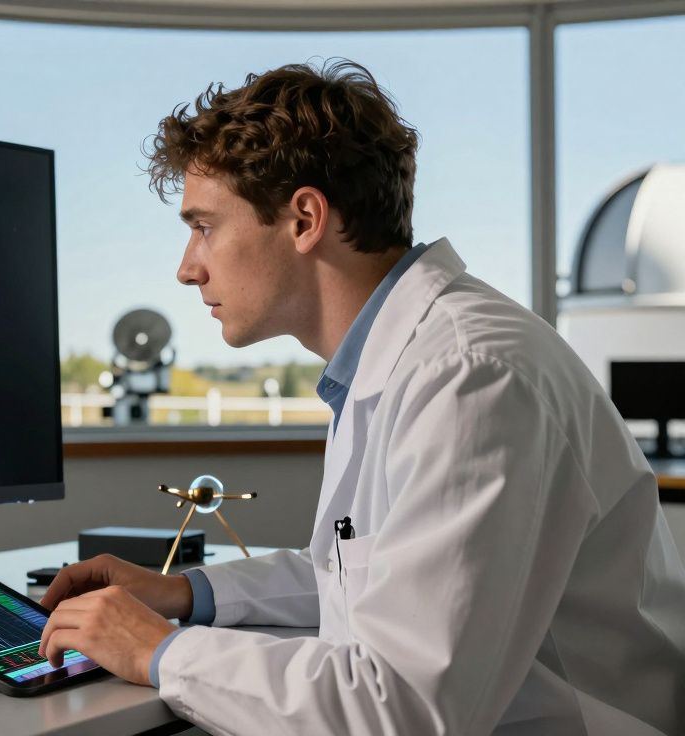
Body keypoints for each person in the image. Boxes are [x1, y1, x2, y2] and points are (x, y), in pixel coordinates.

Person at [37, 60, 685, 735]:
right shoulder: (399, 360)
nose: (186, 266)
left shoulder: (469, 378)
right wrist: (183, 594)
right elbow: (358, 582)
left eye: (204, 226)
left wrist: (157, 650)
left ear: (305, 218)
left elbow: (400, 708)